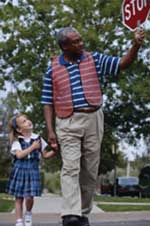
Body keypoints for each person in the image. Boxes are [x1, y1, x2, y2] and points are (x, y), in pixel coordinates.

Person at [41, 26, 144, 226]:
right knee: (70, 167)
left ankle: (82, 213)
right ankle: (70, 214)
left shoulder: (93, 58)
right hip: (67, 121)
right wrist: (51, 131)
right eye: (76, 41)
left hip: (93, 118)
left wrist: (135, 45)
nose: (81, 43)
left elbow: (122, 64)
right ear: (64, 46)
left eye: (81, 39)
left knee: (89, 170)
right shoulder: (52, 69)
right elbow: (47, 101)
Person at [6, 113, 56, 226]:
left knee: (29, 197)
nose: (28, 121)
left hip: (33, 171)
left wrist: (55, 151)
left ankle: (28, 213)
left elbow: (45, 155)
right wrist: (32, 147)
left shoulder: (38, 138)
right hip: (20, 170)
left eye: (27, 119)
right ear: (19, 129)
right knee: (19, 198)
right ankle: (19, 221)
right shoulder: (17, 141)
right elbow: (19, 155)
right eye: (24, 122)